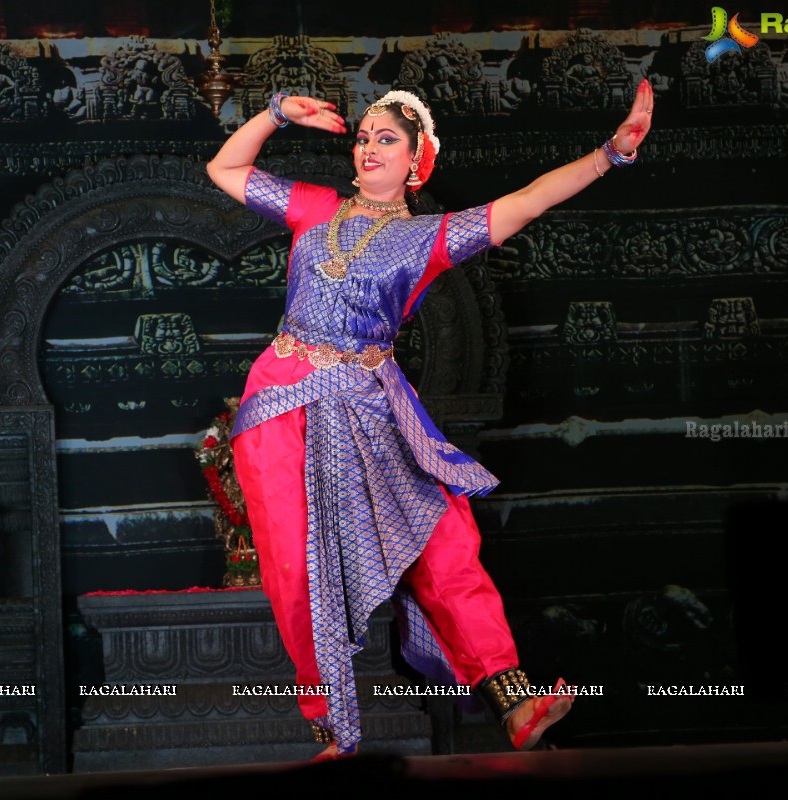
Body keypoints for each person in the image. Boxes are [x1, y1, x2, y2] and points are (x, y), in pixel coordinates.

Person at [206, 82, 653, 760]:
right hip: (282, 401)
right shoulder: (314, 209)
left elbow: (527, 202)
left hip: (368, 404)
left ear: (418, 160)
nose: (367, 147)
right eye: (362, 137)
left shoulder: (429, 239)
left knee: (444, 537)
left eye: (385, 138)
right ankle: (331, 730)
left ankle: (515, 701)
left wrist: (608, 157)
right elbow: (225, 170)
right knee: (298, 571)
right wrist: (273, 115)